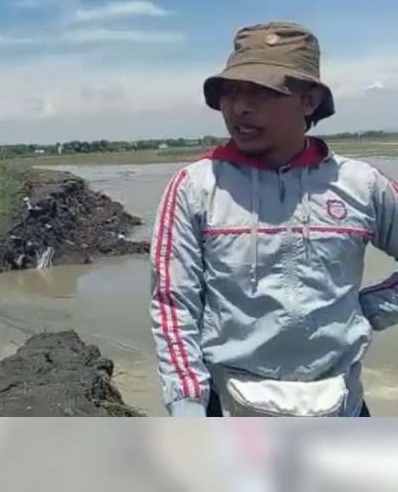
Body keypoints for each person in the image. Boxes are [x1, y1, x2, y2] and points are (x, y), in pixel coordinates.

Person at [150, 21, 398, 417]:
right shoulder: (195, 187)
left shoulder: (361, 185)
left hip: (340, 403)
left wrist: (369, 307)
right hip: (229, 404)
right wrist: (185, 403)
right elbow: (172, 304)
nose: (239, 107)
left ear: (309, 100)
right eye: (230, 92)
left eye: (260, 92)